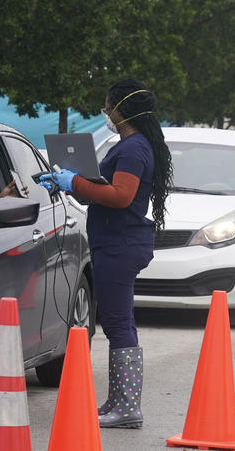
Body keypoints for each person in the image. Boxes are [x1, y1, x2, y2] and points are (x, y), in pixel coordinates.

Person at [38, 79, 173, 428]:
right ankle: (119, 402)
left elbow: (121, 196)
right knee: (119, 321)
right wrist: (69, 183)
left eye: (107, 106)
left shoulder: (132, 149)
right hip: (116, 241)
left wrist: (75, 183)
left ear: (120, 109)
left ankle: (127, 407)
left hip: (119, 244)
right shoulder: (131, 144)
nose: (105, 112)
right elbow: (104, 192)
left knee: (116, 322)